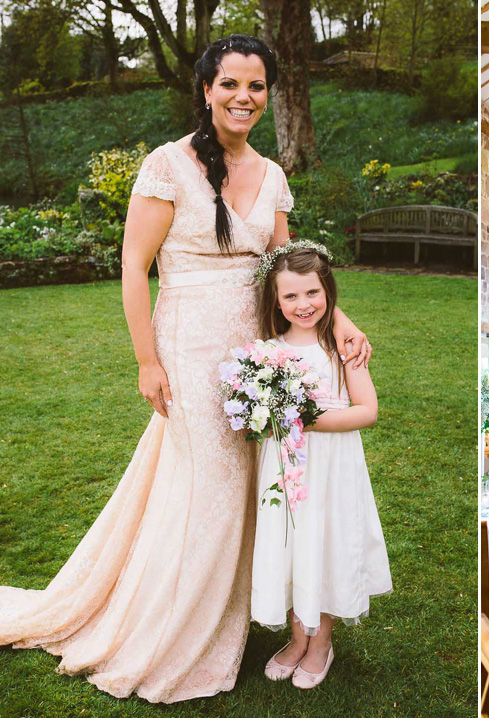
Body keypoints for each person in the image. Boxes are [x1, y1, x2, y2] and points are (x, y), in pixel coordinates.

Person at [0, 35, 371, 703]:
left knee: (259, 483)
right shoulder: (167, 166)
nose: (244, 97)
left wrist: (341, 323)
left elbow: (291, 269)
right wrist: (147, 359)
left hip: (259, 351)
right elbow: (133, 268)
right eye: (231, 84)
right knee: (211, 485)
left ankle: (261, 610)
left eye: (257, 86)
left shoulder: (272, 174)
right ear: (206, 90)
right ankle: (182, 632)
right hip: (190, 344)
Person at [250, 242, 391, 689]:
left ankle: (321, 640)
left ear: (328, 291)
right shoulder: (268, 351)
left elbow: (367, 409)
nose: (303, 304)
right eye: (290, 296)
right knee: (291, 544)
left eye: (312, 293)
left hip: (332, 465)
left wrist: (309, 420)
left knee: (326, 543)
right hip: (284, 466)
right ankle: (297, 638)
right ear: (275, 299)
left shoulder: (340, 345)